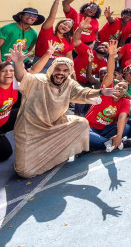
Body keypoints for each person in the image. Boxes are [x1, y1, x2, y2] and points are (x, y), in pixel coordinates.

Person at [8, 44, 117, 178]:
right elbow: (22, 77)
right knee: (25, 172)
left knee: (82, 123)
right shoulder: (38, 80)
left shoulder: (69, 85)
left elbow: (83, 93)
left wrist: (101, 91)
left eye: (65, 70)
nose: (61, 73)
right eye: (58, 69)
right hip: (29, 131)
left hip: (54, 125)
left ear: (69, 72)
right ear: (52, 70)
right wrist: (18, 62)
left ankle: (56, 153)